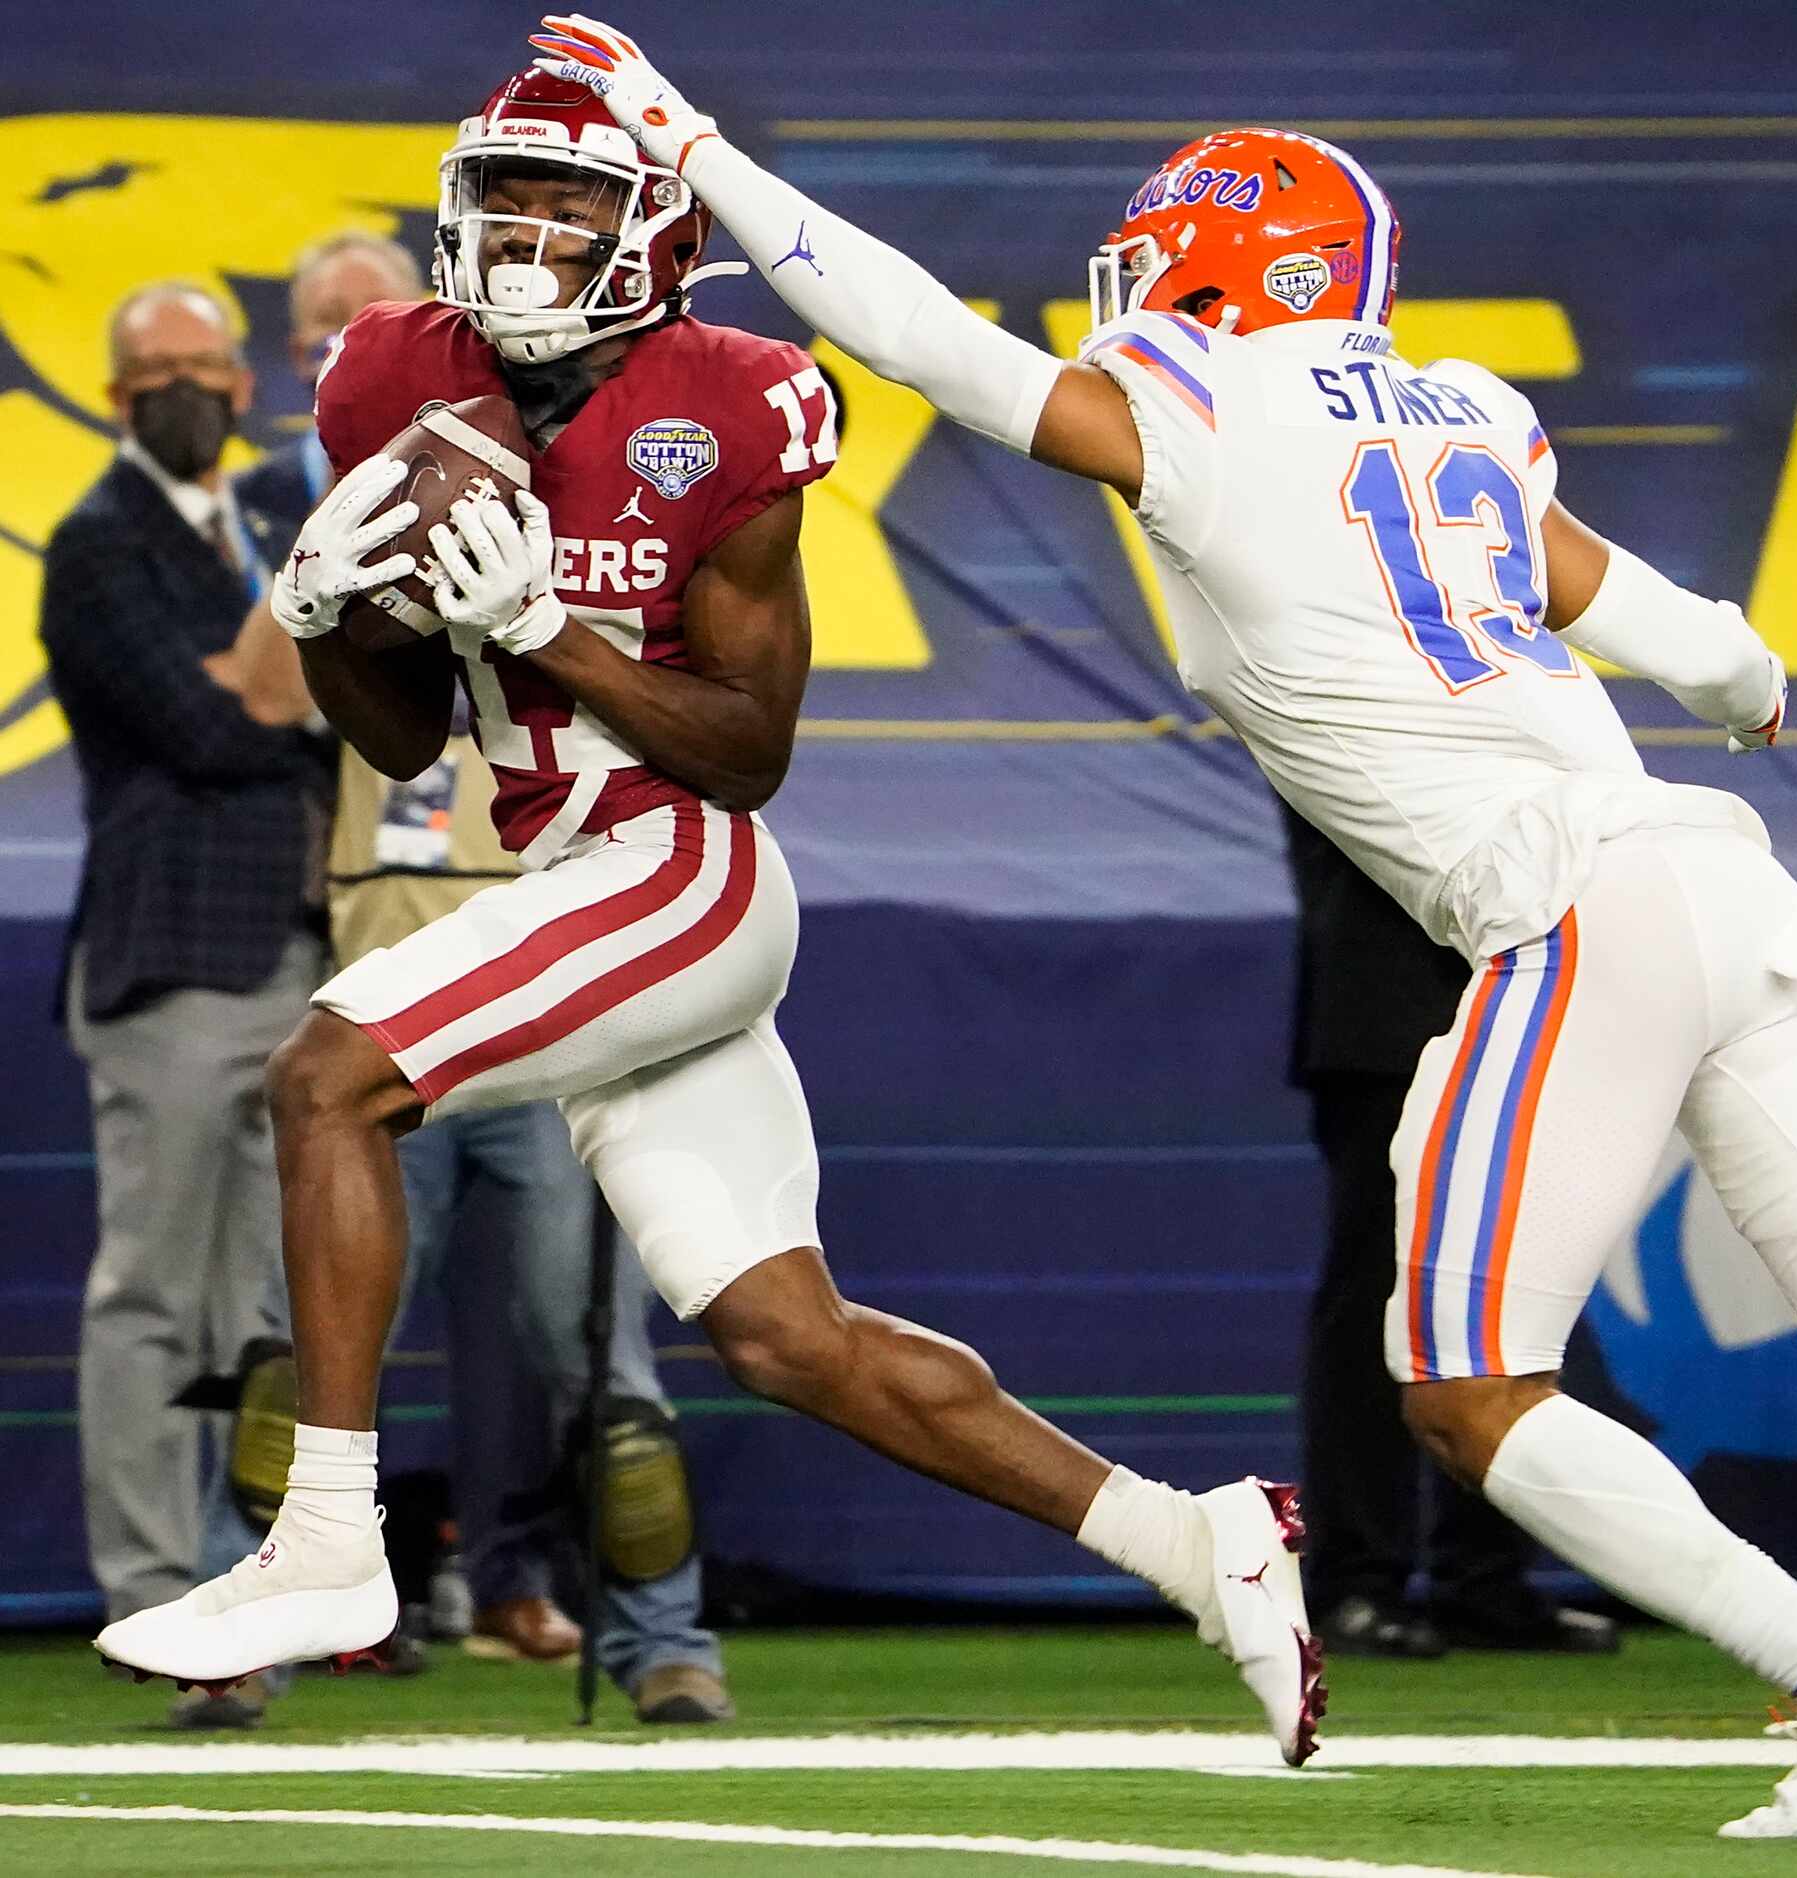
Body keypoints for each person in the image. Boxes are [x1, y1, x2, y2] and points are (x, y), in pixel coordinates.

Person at [501, 16, 1797, 1836]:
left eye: (1162, 256)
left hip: (1566, 902)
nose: (1133, 288)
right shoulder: (1470, 410)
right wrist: (1752, 684)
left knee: (1462, 1387)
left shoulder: (1205, 409)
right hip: (1722, 876)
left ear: (1233, 262)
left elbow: (911, 331)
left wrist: (708, 154)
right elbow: (1696, 638)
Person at [95, 58, 1322, 1768]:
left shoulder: (731, 398)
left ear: (652, 221)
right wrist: (322, 619)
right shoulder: (393, 372)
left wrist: (550, 630)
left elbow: (747, 753)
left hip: (679, 867)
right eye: (504, 194)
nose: (527, 229)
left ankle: (330, 1540)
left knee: (326, 1076)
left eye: (570, 197)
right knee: (782, 1334)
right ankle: (1195, 1538)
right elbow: (402, 732)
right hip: (564, 868)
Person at [223, 226, 732, 1722]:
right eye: (321, 338)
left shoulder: (597, 493)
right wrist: (352, 522)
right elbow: (269, 694)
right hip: (380, 961)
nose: (343, 360)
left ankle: (664, 1640)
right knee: (290, 1350)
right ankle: (245, 1634)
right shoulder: (304, 501)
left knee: (602, 1367)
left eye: (362, 331)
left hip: (550, 965)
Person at [39, 282, 327, 1728]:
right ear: (113, 392)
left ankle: (239, 1594)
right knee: (154, 1295)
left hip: (302, 950)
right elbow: (211, 724)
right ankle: (152, 1598)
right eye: (149, 370)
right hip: (171, 959)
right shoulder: (95, 545)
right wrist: (280, 686)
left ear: (237, 382)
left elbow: (318, 700)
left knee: (260, 1307)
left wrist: (269, 683)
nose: (180, 390)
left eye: (201, 367)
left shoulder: (265, 527)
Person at [1284, 804, 1616, 1659]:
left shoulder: (1524, 684)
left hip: (1523, 1011)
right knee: (1377, 1304)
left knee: (1518, 1295)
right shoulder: (1327, 681)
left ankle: (1486, 1578)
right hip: (1391, 1013)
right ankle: (1354, 1581)